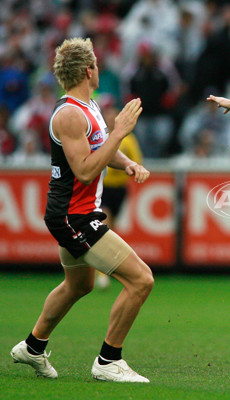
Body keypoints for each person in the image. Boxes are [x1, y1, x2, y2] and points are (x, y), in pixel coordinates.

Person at [10, 38, 154, 383]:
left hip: (75, 213)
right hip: (73, 216)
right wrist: (120, 132)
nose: (99, 69)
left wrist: (127, 162)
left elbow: (101, 148)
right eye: (97, 64)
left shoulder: (85, 108)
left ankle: (32, 347)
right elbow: (86, 170)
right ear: (89, 70)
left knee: (78, 286)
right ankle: (108, 361)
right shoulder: (71, 114)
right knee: (141, 280)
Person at [96, 102, 144, 290]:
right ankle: (102, 273)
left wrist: (130, 168)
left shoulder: (128, 140)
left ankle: (103, 266)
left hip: (120, 189)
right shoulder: (102, 137)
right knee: (105, 224)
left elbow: (136, 161)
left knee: (111, 229)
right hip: (104, 188)